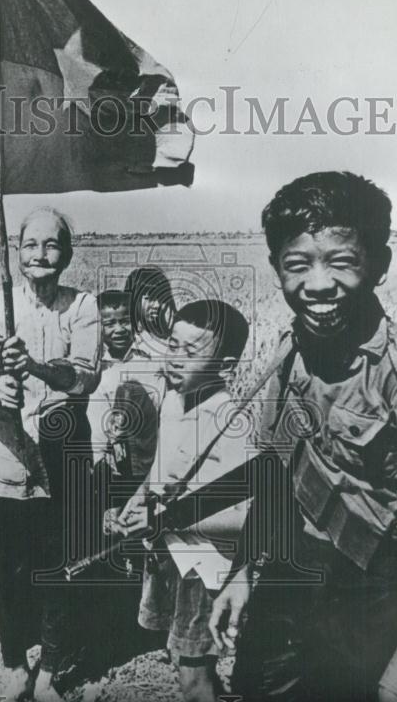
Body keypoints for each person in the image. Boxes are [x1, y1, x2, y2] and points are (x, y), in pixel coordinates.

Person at [209, 171, 397, 702]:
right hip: (292, 574)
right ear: (276, 267)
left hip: (377, 594)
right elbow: (276, 475)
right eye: (297, 264)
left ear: (379, 265)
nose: (318, 284)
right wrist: (243, 572)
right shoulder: (287, 353)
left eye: (341, 261)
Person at [0, 207, 100, 702]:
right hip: (8, 457)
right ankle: (15, 661)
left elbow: (85, 374)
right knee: (9, 565)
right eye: (30, 245)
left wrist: (37, 369)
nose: (40, 254)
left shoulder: (82, 304)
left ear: (67, 253)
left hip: (64, 457)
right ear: (16, 253)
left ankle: (55, 665)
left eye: (52, 244)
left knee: (61, 560)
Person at [110, 299, 253, 702]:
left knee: (194, 672)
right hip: (169, 551)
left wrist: (164, 519)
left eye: (191, 352)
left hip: (206, 565)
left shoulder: (228, 419)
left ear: (224, 366)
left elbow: (241, 515)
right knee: (178, 653)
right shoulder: (174, 398)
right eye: (173, 345)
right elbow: (162, 467)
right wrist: (138, 500)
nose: (175, 359)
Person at [124, 266, 177, 360]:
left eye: (161, 299)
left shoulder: (167, 340)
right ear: (133, 299)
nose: (157, 305)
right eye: (150, 298)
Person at [97, 289, 135, 368]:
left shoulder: (147, 356)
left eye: (126, 321)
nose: (119, 329)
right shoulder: (93, 361)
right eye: (109, 324)